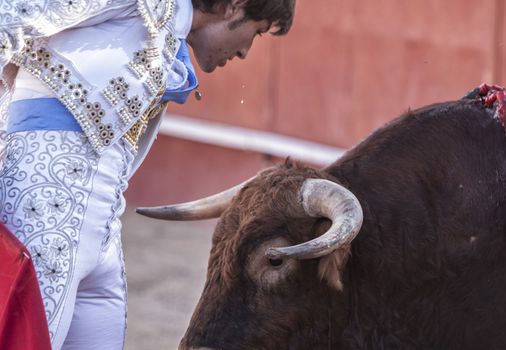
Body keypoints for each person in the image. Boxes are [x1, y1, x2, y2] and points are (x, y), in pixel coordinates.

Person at [0, 0, 295, 349]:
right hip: (41, 213)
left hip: (103, 231)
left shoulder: (167, 30)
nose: (245, 51)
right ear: (235, 6)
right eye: (256, 32)